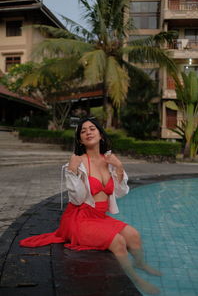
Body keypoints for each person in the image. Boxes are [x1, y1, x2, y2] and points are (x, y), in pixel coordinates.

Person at [19, 117, 161, 294]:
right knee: (118, 241)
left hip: (99, 217)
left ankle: (141, 264)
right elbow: (77, 200)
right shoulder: (78, 162)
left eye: (92, 128)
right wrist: (72, 172)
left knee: (133, 235)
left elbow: (121, 193)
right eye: (83, 131)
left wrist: (119, 167)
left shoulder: (109, 161)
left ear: (100, 134)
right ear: (80, 139)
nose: (88, 132)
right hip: (79, 218)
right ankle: (136, 278)